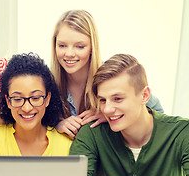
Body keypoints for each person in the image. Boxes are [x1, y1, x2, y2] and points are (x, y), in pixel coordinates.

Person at [69, 54, 189, 176]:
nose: (107, 109)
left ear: (145, 96)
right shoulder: (91, 133)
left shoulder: (182, 131)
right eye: (102, 100)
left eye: (117, 99)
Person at [51, 10, 164, 138]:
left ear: (92, 47)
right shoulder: (46, 81)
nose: (69, 53)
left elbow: (157, 112)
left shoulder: (111, 76)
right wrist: (56, 125)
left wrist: (110, 114)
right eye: (62, 45)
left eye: (80, 46)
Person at [0, 53, 72, 157]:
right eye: (17, 99)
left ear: (47, 99)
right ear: (8, 101)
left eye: (35, 98)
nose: (27, 108)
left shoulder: (67, 144)